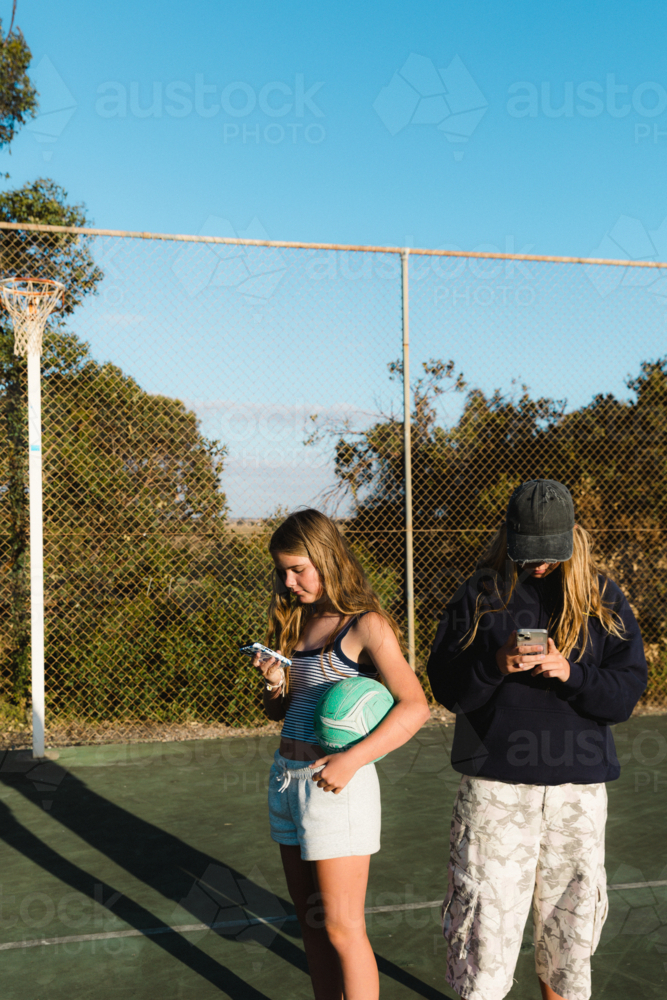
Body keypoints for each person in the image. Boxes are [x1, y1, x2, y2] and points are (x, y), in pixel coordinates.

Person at [427, 479, 647, 1000]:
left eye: (551, 553)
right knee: (484, 936)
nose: (541, 565)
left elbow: (624, 695)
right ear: (509, 535)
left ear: (573, 535)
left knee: (569, 943)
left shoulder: (603, 597)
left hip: (577, 794)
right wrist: (494, 663)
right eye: (531, 553)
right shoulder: (479, 594)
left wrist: (571, 672)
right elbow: (446, 687)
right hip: (496, 793)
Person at [254, 508, 430, 1000]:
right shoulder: (294, 621)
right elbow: (283, 712)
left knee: (341, 930)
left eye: (298, 569)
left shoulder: (365, 625)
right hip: (287, 780)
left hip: (337, 786)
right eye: (283, 571)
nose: (288, 581)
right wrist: (273, 685)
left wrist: (351, 760)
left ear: (327, 558)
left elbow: (415, 707)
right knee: (310, 925)